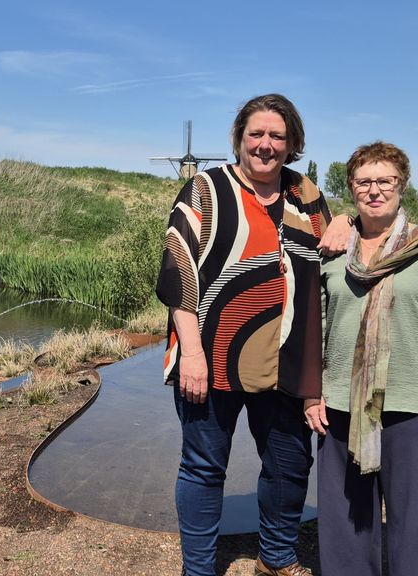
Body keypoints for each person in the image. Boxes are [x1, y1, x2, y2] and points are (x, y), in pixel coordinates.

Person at [157, 93, 352, 576]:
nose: (266, 145)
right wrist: (193, 356)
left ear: (292, 143)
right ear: (240, 139)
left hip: (287, 360)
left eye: (277, 136)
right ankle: (198, 569)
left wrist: (347, 220)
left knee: (289, 466)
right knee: (204, 467)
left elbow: (331, 253)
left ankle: (278, 555)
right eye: (256, 134)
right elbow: (179, 271)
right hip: (212, 355)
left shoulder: (305, 194)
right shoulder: (205, 189)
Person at [305, 141, 418, 576]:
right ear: (351, 188)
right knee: (347, 523)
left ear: (401, 185)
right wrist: (310, 394)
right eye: (364, 181)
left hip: (416, 407)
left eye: (384, 180)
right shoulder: (334, 251)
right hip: (340, 405)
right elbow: (317, 327)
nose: (374, 190)